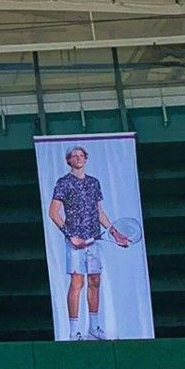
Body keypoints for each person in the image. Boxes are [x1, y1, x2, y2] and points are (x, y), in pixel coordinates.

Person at [48, 145, 130, 340]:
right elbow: (53, 212)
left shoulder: (94, 183)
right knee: (77, 282)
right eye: (74, 156)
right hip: (75, 241)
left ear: (85, 158)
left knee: (95, 280)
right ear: (69, 160)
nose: (78, 158)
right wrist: (70, 236)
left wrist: (115, 233)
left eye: (81, 155)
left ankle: (94, 327)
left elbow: (99, 211)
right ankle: (74, 331)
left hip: (93, 241)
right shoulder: (63, 183)